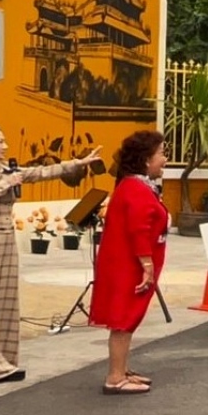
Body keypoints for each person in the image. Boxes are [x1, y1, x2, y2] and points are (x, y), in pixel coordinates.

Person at [0, 122, 101, 392]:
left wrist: (77, 163)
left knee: (3, 302)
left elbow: (41, 172)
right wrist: (5, 183)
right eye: (0, 141)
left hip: (5, 239)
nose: (5, 145)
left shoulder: (6, 168)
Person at [90, 130, 170, 395]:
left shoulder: (135, 185)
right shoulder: (135, 188)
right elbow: (139, 228)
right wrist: (147, 265)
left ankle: (122, 370)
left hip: (128, 263)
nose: (165, 159)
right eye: (161, 154)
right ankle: (115, 377)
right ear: (146, 159)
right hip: (129, 267)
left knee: (128, 319)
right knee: (123, 320)